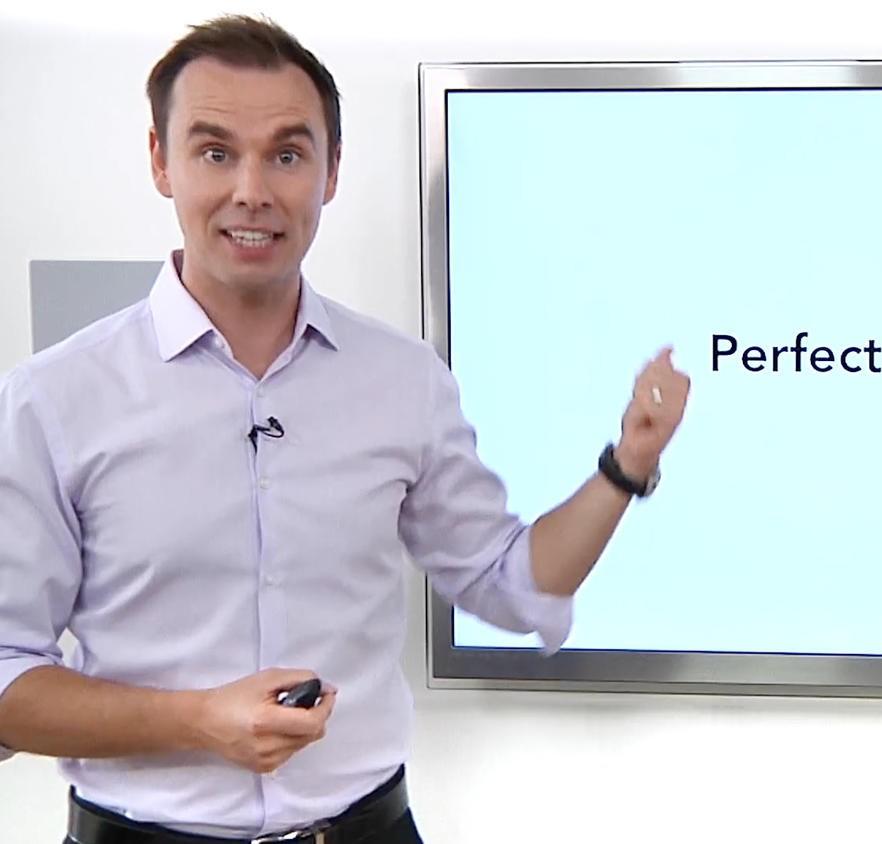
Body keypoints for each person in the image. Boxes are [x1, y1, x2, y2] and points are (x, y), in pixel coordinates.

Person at [0, 14, 689, 843]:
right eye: (215, 152)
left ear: (330, 171)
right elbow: (7, 681)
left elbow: (511, 583)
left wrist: (626, 465)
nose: (252, 190)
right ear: (160, 160)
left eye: (287, 155)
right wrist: (197, 720)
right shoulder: (54, 399)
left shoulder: (403, 381)